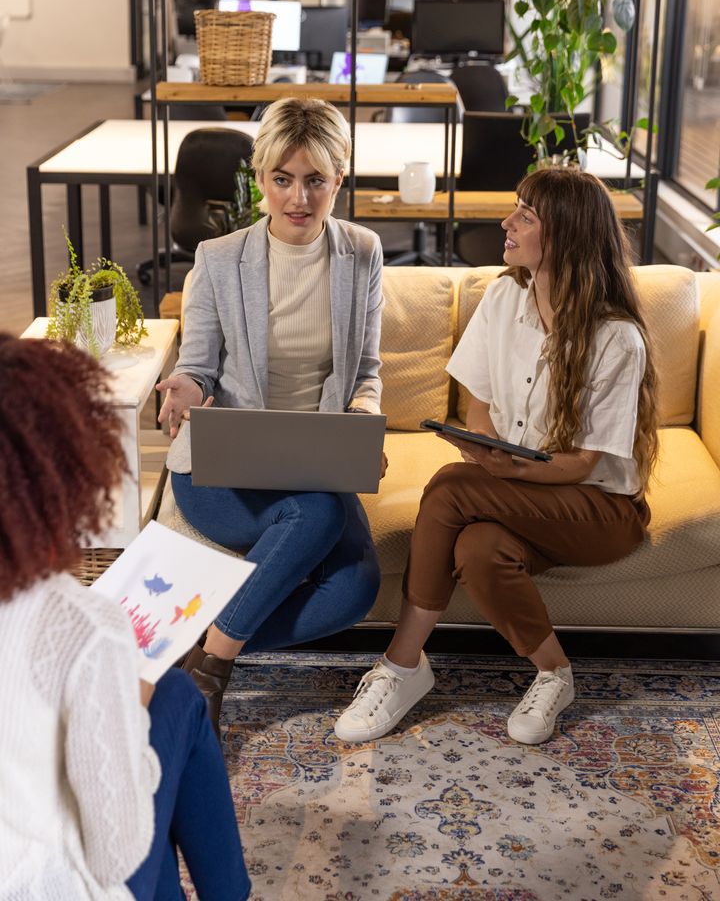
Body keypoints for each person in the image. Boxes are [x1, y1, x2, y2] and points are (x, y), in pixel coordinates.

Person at [334, 166, 658, 747]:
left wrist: (506, 468)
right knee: (478, 550)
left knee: (451, 487)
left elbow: (583, 464)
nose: (507, 223)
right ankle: (556, 674)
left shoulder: (616, 338)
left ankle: (402, 664)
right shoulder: (506, 294)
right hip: (521, 494)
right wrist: (488, 448)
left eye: (526, 216)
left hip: (600, 511)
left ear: (567, 235)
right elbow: (476, 398)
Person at [157, 97, 385, 734]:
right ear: (260, 179)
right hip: (223, 467)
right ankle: (216, 672)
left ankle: (198, 650)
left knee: (357, 587)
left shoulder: (363, 254)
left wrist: (364, 419)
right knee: (319, 511)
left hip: (314, 462)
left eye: (316, 179)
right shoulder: (219, 258)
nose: (299, 197)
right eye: (282, 178)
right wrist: (184, 385)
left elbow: (365, 372)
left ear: (340, 177)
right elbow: (199, 368)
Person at [0, 334, 250, 900]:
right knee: (176, 702)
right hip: (43, 884)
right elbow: (117, 851)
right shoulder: (78, 624)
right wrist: (128, 706)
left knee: (175, 701)